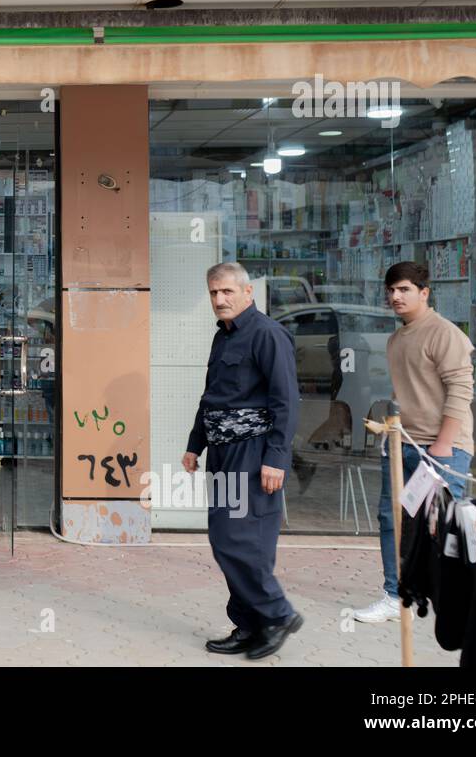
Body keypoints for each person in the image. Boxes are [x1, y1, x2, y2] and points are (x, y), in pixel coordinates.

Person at [184, 262, 303, 660]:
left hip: (253, 453)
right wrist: (194, 444)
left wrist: (276, 459)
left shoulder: (267, 334)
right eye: (214, 293)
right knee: (231, 538)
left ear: (247, 293)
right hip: (222, 452)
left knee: (237, 538)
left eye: (227, 292)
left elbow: (286, 402)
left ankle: (278, 614)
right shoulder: (224, 337)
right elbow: (212, 396)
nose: (219, 299)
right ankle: (251, 624)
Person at [353, 261, 474, 624]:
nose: (395, 296)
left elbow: (461, 391)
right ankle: (396, 595)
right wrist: (390, 430)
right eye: (391, 290)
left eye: (404, 289)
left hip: (442, 449)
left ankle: (458, 599)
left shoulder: (445, 333)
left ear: (424, 292)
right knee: (394, 522)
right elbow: (406, 393)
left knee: (443, 525)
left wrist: (442, 446)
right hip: (402, 444)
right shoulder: (396, 338)